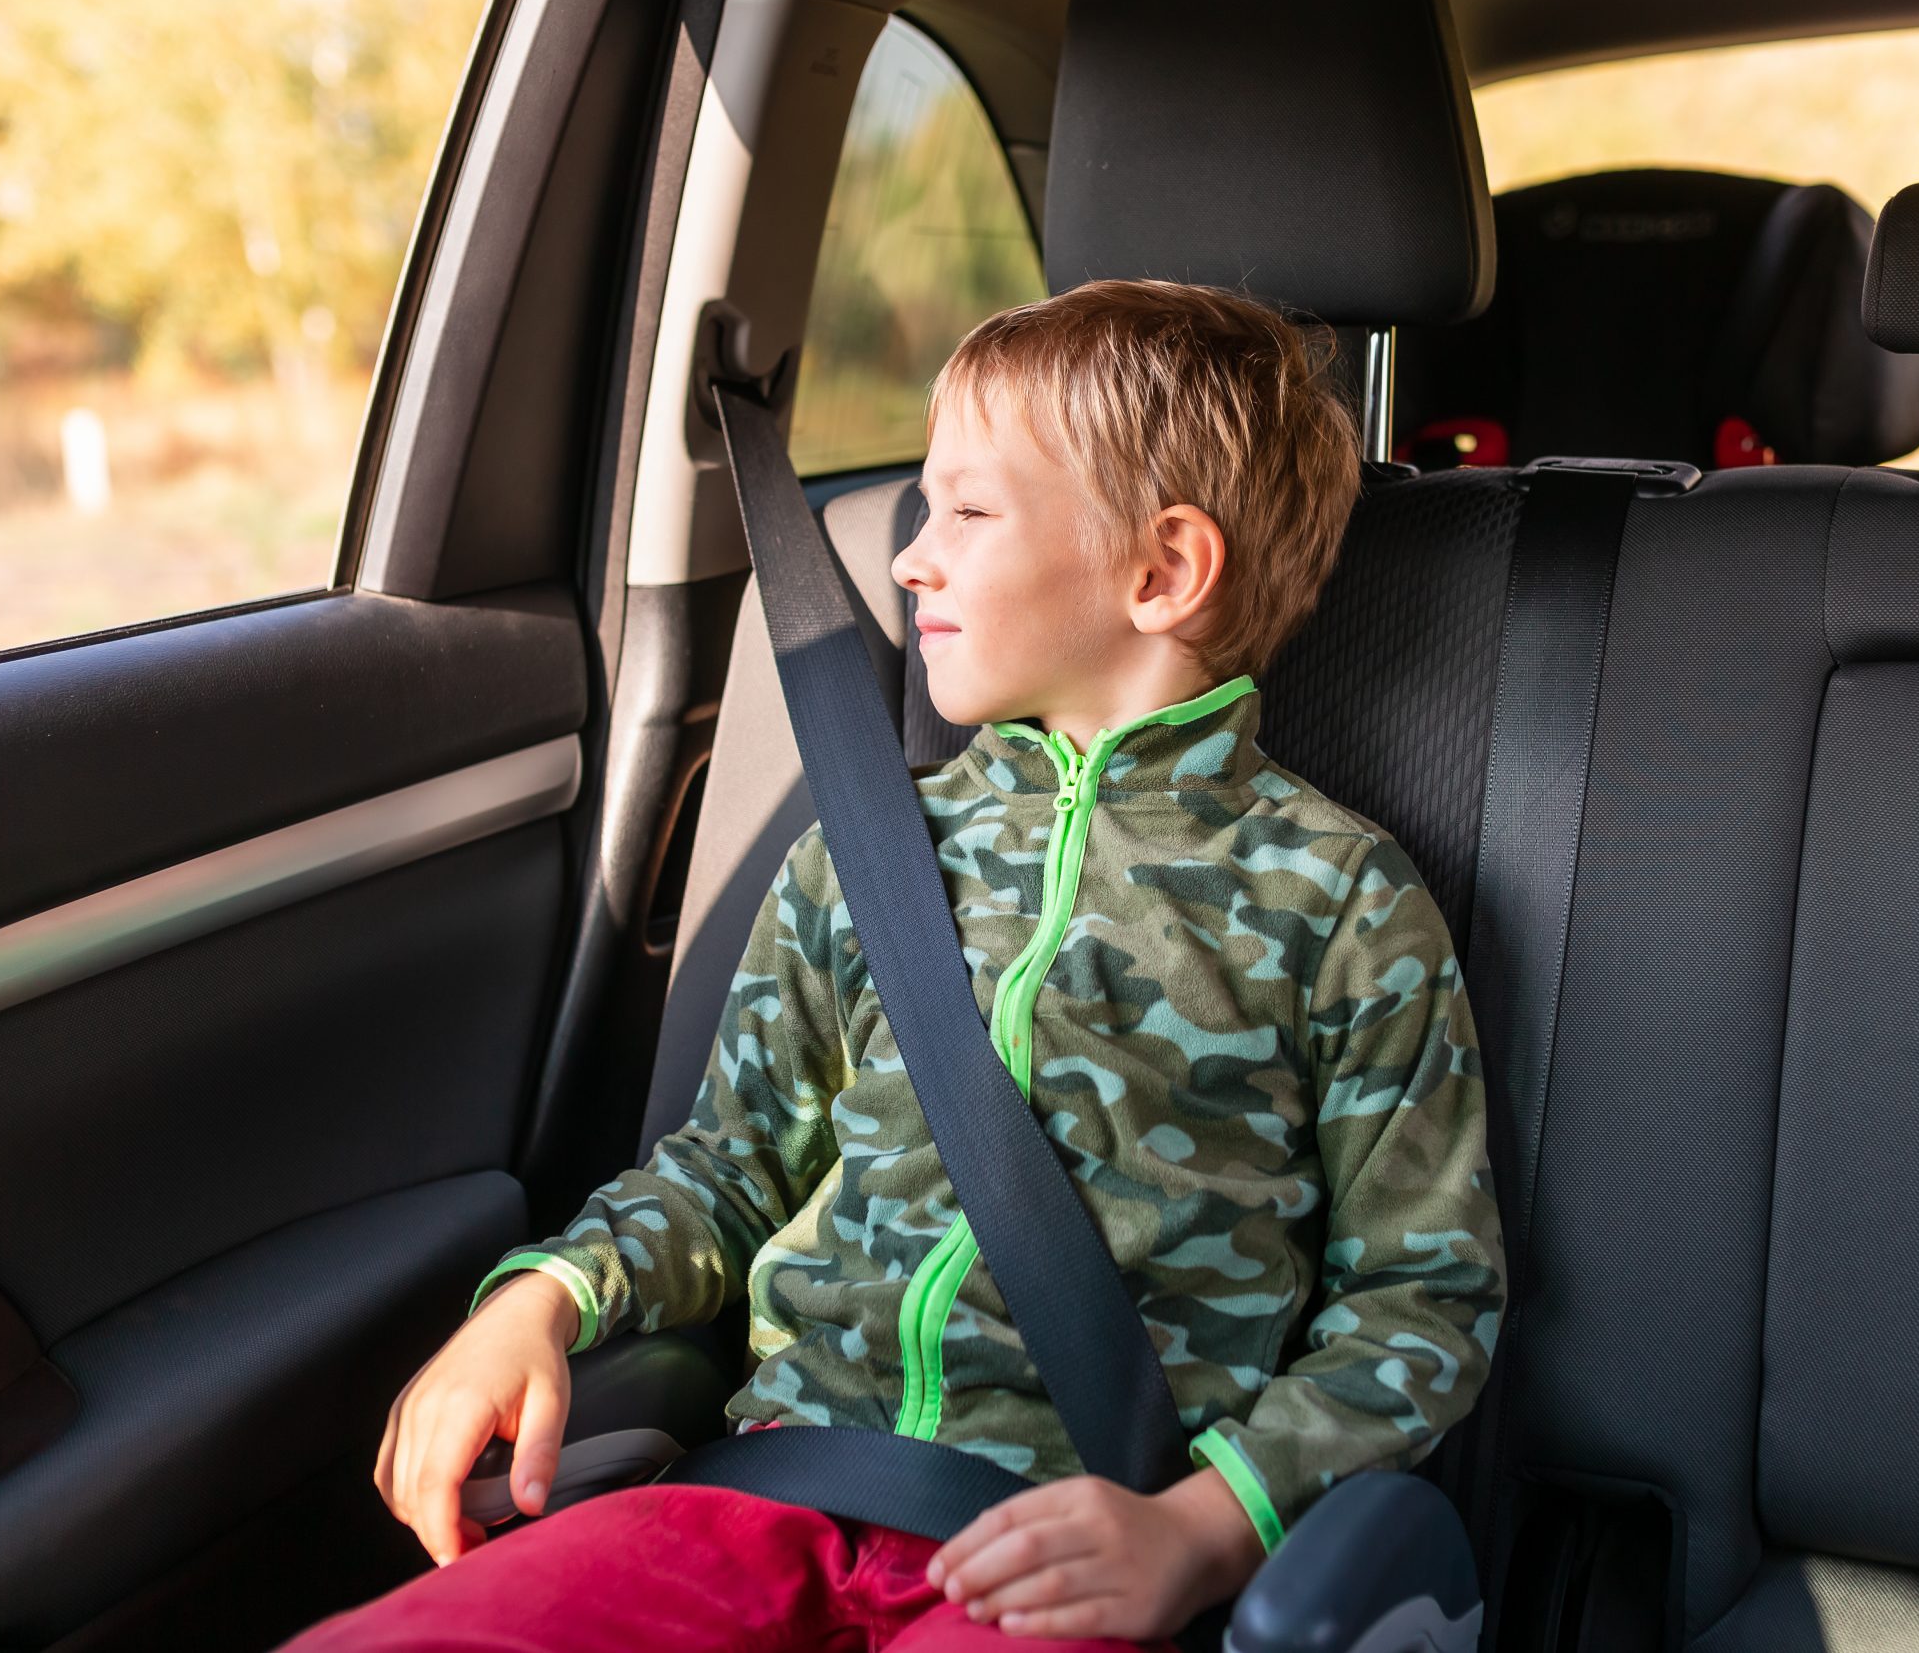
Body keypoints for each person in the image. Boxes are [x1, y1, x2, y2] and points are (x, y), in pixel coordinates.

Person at [284, 280, 1505, 1653]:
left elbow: (1422, 1298)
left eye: (969, 513)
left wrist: (1202, 1528)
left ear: (1163, 571)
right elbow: (732, 1165)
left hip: (1070, 1540)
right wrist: (545, 1298)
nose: (912, 558)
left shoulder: (1336, 900)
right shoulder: (865, 857)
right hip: (771, 1493)